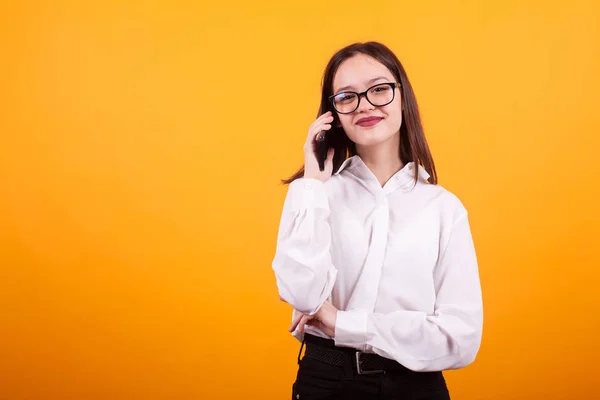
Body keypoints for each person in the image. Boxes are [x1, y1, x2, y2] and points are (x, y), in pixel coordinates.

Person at [271, 41, 483, 400]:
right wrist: (312, 183)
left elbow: (460, 339)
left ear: (403, 96)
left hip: (414, 387)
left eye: (379, 89)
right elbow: (303, 296)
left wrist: (342, 323)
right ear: (332, 113)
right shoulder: (316, 196)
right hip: (326, 383)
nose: (365, 104)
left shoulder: (443, 208)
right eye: (347, 96)